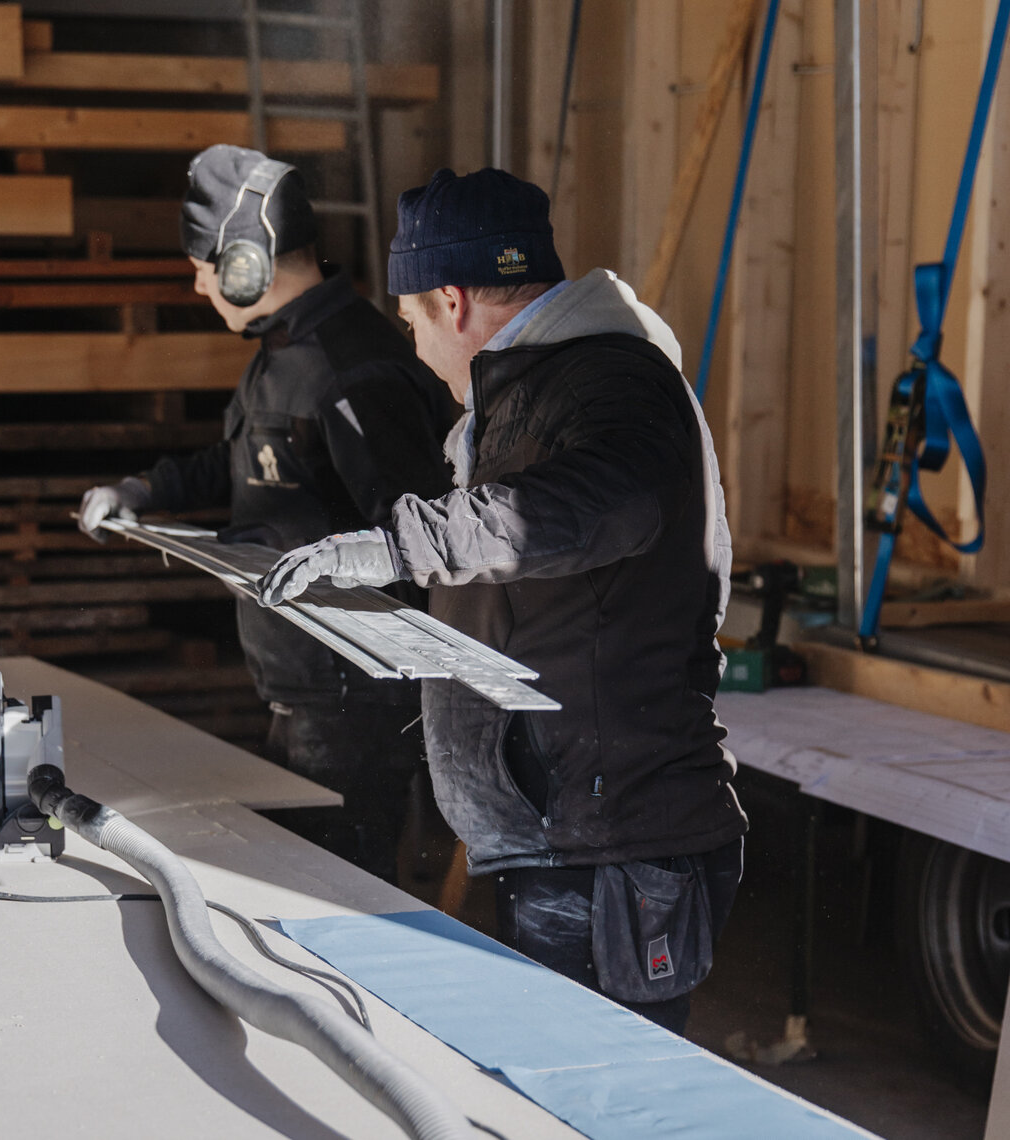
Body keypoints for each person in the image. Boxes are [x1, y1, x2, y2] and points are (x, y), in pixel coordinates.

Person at [257, 167, 748, 1034]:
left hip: (616, 835)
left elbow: (608, 502)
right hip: (568, 828)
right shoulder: (539, 386)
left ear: (450, 301)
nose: (412, 345)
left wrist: (396, 544)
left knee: (612, 1100)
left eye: (409, 321)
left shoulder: (610, 382)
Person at [78, 145, 453, 883]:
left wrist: (290, 551)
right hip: (304, 694)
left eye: (205, 263)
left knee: (339, 897)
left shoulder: (352, 368)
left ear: (249, 259)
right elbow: (243, 462)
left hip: (352, 701)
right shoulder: (283, 352)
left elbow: (416, 535)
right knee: (300, 884)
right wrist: (144, 492)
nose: (196, 282)